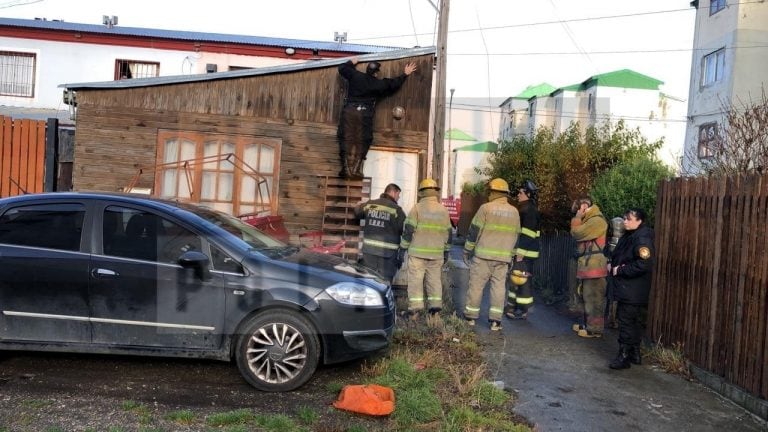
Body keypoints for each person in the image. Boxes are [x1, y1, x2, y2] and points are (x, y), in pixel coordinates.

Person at [337, 58, 418, 179]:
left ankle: (345, 169)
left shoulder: (355, 75)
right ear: (376, 72)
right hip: (365, 114)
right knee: (364, 139)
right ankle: (355, 169)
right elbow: (393, 84)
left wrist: (351, 62)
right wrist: (405, 74)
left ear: (367, 70)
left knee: (345, 137)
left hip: (349, 111)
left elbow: (342, 68)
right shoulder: (379, 84)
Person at [463, 178, 520, 331]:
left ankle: (471, 318)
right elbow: (516, 236)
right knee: (499, 289)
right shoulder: (514, 212)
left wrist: (467, 250)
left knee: (476, 287)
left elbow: (474, 230)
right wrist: (512, 256)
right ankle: (495, 321)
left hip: (482, 257)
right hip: (503, 259)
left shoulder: (485, 208)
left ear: (492, 192)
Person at [608, 208, 654, 370]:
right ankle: (634, 353)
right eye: (625, 218)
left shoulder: (642, 238)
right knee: (631, 321)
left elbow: (644, 263)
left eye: (629, 219)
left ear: (639, 221)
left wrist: (620, 270)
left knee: (626, 321)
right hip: (628, 288)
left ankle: (624, 356)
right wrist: (612, 264)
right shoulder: (631, 235)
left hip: (633, 289)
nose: (625, 221)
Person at [399, 178, 452, 317]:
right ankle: (435, 310)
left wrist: (403, 248)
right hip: (436, 255)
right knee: (434, 281)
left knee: (415, 282)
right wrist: (446, 251)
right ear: (435, 192)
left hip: (417, 254)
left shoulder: (417, 208)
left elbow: (409, 230)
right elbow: (449, 233)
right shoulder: (443, 210)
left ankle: (415, 311)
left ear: (422, 192)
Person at [570, 196, 609, 338]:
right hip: (588, 266)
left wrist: (577, 219)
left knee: (594, 298)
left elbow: (577, 233)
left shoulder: (597, 221)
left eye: (578, 210)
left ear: (584, 206)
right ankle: (587, 324)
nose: (577, 213)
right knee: (586, 296)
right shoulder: (590, 221)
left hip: (595, 267)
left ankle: (595, 329)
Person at [355, 183, 406, 282]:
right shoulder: (397, 210)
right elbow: (403, 230)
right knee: (384, 283)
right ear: (393, 192)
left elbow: (358, 213)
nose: (398, 198)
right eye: (398, 195)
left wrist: (358, 205)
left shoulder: (370, 204)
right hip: (387, 256)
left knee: (367, 282)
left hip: (369, 252)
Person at [506, 180, 541, 320]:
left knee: (521, 281)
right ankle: (512, 307)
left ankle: (523, 309)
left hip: (525, 255)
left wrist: (520, 253)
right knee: (516, 281)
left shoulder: (529, 210)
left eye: (520, 193)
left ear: (527, 194)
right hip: (524, 253)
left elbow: (528, 234)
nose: (518, 195)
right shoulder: (526, 208)